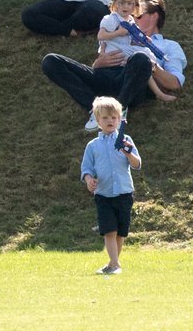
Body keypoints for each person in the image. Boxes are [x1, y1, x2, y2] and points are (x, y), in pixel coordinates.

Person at [41, 0, 186, 131]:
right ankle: (96, 109)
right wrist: (97, 64)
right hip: (104, 77)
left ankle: (118, 109)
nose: (131, 18)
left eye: (138, 15)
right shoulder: (118, 31)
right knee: (51, 61)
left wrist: (151, 65)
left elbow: (174, 83)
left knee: (140, 58)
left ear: (154, 17)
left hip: (131, 82)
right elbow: (101, 51)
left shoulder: (168, 46)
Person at [80, 96, 141, 275]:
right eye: (105, 118)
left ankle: (112, 263)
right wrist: (89, 180)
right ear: (97, 121)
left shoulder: (126, 140)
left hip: (124, 192)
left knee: (121, 232)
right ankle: (115, 265)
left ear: (120, 119)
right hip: (103, 194)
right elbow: (86, 168)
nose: (110, 121)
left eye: (114, 117)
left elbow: (137, 164)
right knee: (109, 230)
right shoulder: (93, 145)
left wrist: (127, 152)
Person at [97, 0, 176, 103]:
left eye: (129, 3)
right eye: (122, 3)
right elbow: (101, 36)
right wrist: (118, 33)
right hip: (115, 50)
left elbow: (131, 39)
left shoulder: (129, 20)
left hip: (124, 48)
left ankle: (157, 93)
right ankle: (157, 93)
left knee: (145, 56)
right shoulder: (111, 19)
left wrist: (143, 41)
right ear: (115, 4)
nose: (125, 6)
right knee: (143, 57)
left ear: (134, 6)